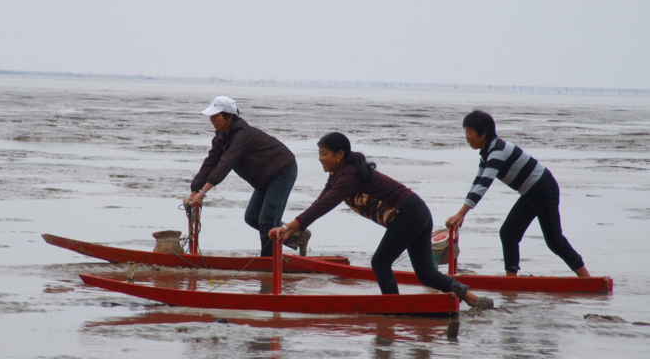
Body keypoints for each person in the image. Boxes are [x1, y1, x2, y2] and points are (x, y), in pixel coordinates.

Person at [269, 132, 493, 309]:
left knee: (380, 262)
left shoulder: (349, 175)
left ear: (339, 154)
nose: (320, 158)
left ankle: (394, 308)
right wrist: (291, 229)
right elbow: (322, 200)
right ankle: (472, 298)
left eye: (324, 153)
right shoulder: (339, 174)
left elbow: (324, 206)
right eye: (319, 153)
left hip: (409, 214)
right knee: (426, 274)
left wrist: (289, 226)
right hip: (417, 212)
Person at [445, 110, 591, 277]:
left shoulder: (497, 151)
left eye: (469, 132)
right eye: (466, 132)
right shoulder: (487, 154)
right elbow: (477, 182)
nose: (467, 136)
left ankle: (587, 279)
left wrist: (461, 213)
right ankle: (511, 280)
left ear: (483, 134)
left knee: (554, 241)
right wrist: (460, 214)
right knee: (508, 233)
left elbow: (484, 184)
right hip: (530, 192)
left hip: (543, 189)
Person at [184, 96, 310, 257]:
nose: (212, 120)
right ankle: (298, 236)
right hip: (264, 177)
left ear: (229, 116)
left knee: (267, 220)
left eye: (216, 116)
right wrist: (194, 191)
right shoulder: (221, 137)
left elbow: (226, 162)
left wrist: (203, 193)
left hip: (282, 171)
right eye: (211, 116)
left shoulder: (242, 134)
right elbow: (210, 163)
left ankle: (268, 262)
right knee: (252, 217)